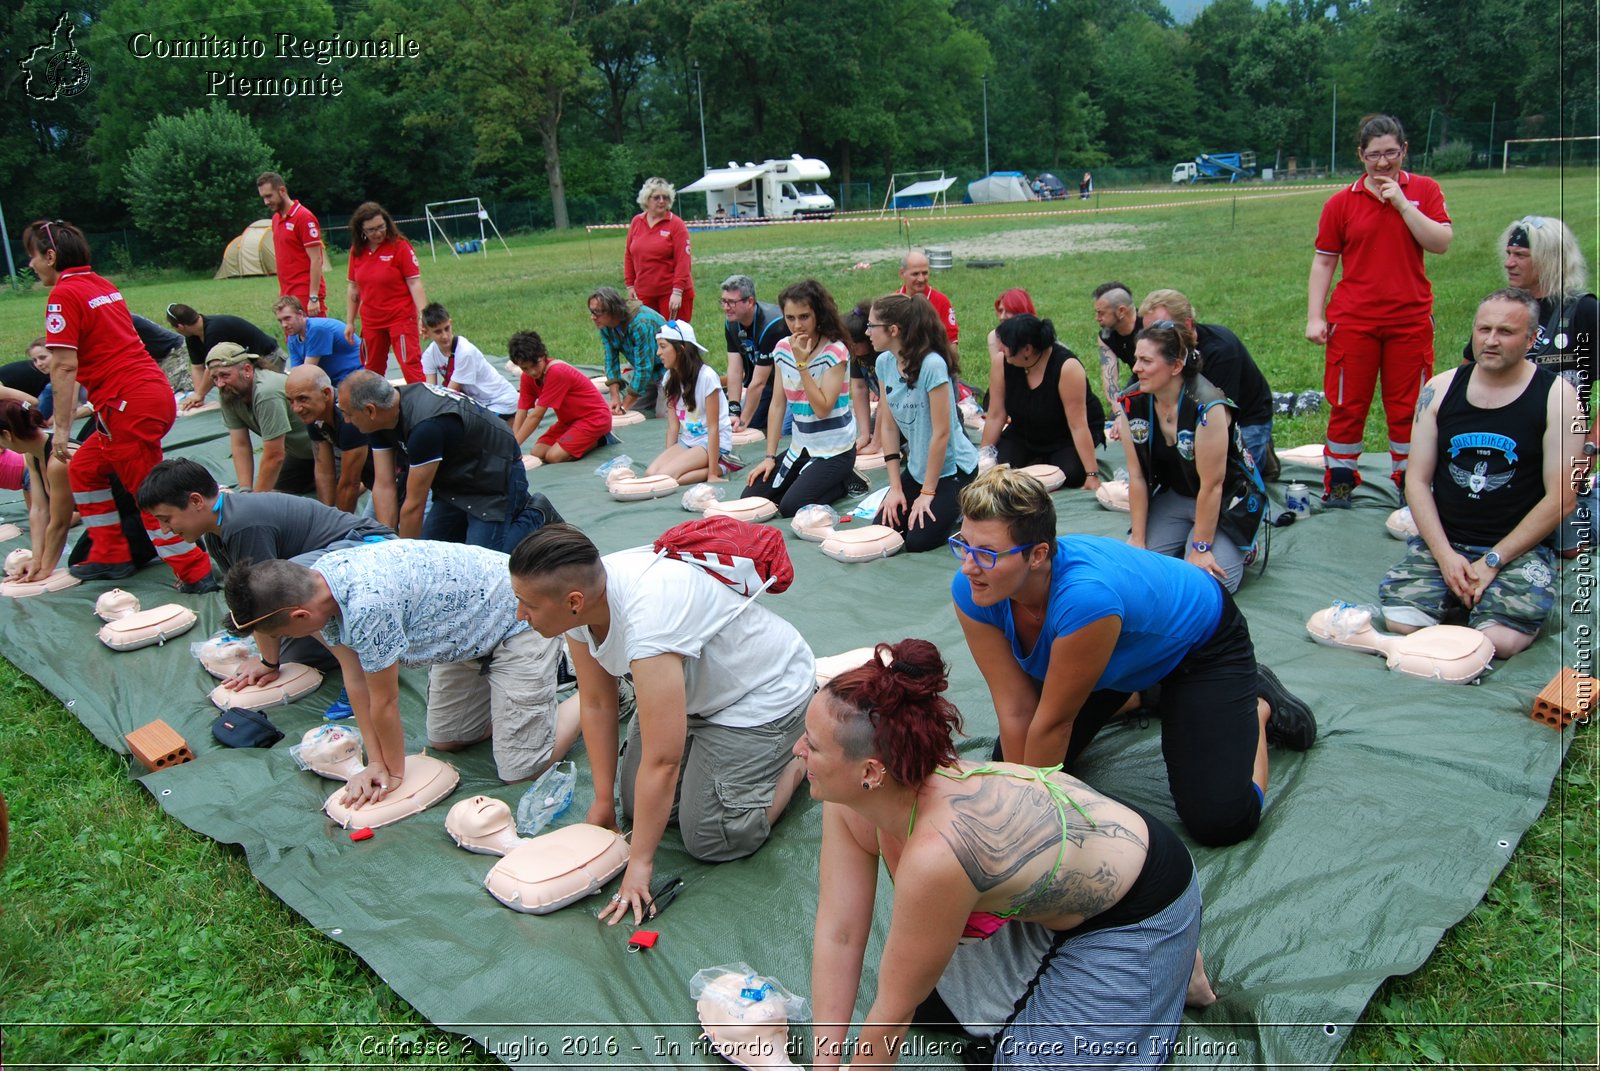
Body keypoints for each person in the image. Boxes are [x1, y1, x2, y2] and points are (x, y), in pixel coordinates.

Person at [802, 639, 1203, 1069]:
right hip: (1042, 892)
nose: (798, 752)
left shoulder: (941, 849)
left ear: (869, 772)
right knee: (935, 1007)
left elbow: (894, 1013)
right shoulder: (855, 800)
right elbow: (840, 933)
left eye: (812, 746)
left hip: (1134, 905)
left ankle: (1170, 960)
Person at [952, 466, 1315, 847]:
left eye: (988, 554)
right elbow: (1017, 710)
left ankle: (1255, 706)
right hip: (1118, 654)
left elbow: (1053, 725)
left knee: (1220, 820)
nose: (969, 566)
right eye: (964, 544)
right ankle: (1151, 694)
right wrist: (1017, 801)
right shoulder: (971, 589)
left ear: (1038, 555)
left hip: (1202, 647)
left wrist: (1024, 832)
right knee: (1016, 759)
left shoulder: (1084, 600)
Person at [507, 523, 814, 924]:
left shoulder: (647, 623)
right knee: (638, 807)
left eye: (526, 604)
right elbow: (598, 703)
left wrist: (640, 865)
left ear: (574, 601)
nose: (519, 614)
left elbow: (663, 761)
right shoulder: (582, 603)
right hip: (693, 698)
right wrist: (603, 801)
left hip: (759, 696)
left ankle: (797, 760)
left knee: (712, 837)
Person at [222, 541, 579, 798]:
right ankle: (515, 701)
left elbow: (386, 701)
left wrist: (391, 773)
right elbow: (355, 678)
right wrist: (372, 762)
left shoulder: (366, 605)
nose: (287, 641)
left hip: (516, 622)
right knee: (448, 739)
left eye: (284, 634)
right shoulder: (318, 585)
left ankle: (592, 695)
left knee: (521, 771)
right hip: (463, 635)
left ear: (300, 616)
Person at [1379, 289, 1582, 659]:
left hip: (1517, 549)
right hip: (1448, 540)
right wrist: (1443, 555)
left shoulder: (1558, 397)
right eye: (1483, 329)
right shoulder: (1439, 389)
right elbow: (1417, 482)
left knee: (1501, 641)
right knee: (1401, 622)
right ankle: (1459, 602)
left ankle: (1472, 606)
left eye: (1505, 331)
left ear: (1531, 339)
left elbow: (1562, 499)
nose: (1490, 340)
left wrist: (1493, 561)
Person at [22, 219, 213, 588]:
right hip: (142, 396)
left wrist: (60, 429)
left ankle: (195, 571)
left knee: (148, 494)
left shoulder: (63, 295)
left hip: (128, 405)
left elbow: (63, 365)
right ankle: (111, 555)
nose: (30, 265)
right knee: (85, 469)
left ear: (50, 255)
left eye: (32, 256)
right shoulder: (101, 284)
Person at [1307, 113, 1453, 506]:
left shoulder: (1425, 189)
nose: (1384, 162)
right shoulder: (1341, 203)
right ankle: (1339, 477)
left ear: (1404, 150)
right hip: (1353, 320)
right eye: (1374, 155)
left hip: (1409, 320)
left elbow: (1440, 242)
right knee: (1347, 402)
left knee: (1409, 406)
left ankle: (1410, 481)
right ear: (1361, 155)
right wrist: (1315, 316)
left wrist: (1404, 205)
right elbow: (1324, 261)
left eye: (1391, 153)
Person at [137, 457, 395, 676]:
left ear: (196, 501)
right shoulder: (215, 530)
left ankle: (360, 667)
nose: (165, 529)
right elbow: (245, 599)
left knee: (281, 596)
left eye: (166, 519)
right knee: (292, 651)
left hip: (373, 550)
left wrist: (267, 663)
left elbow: (260, 598)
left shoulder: (243, 525)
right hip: (341, 562)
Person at [1467, 216, 1596, 557]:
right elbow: (1466, 376)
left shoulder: (1583, 311)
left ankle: (1590, 498)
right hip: (1506, 448)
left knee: (1569, 547)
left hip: (1561, 451)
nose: (1509, 262)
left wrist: (1589, 452)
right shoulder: (1503, 311)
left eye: (1521, 255)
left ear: (1551, 258)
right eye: (1508, 253)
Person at [1118, 320, 1266, 593]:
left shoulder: (1208, 407)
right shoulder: (1132, 402)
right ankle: (1184, 543)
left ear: (1176, 366)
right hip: (1177, 495)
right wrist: (1138, 540)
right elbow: (1136, 475)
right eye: (1136, 359)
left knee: (1208, 585)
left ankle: (1243, 545)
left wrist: (1200, 548)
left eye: (1146, 361)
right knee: (1135, 570)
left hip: (1223, 502)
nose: (1136, 368)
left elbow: (1213, 485)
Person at [338, 369, 560, 550]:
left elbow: (414, 505)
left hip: (493, 476)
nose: (346, 420)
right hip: (453, 481)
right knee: (435, 552)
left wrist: (405, 559)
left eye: (347, 413)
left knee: (482, 562)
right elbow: (384, 485)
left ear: (370, 410)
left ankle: (537, 514)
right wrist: (389, 545)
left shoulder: (426, 427)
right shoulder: (381, 416)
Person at [866, 294, 979, 552]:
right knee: (884, 528)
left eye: (872, 326)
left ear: (893, 330)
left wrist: (926, 494)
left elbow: (942, 433)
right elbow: (889, 425)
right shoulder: (884, 362)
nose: (867, 332)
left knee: (919, 541)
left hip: (953, 469)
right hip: (919, 468)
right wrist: (896, 488)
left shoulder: (932, 365)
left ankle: (962, 505)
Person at [744, 279, 857, 515]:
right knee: (751, 496)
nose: (797, 325)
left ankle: (845, 481)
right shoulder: (782, 349)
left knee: (791, 506)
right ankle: (804, 480)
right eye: (790, 318)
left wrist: (802, 364)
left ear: (819, 315)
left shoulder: (835, 351)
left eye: (804, 317)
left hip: (835, 449)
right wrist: (769, 457)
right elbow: (777, 403)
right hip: (802, 446)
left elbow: (823, 408)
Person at [1140, 289, 1277, 480]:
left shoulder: (1221, 350)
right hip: (1183, 417)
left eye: (1159, 330)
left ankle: (1263, 452)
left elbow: (1221, 417)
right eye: (1147, 332)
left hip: (1242, 421)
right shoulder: (1155, 353)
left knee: (1230, 481)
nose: (1151, 340)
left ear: (1187, 324)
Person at [980, 314, 1105, 488]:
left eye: (1006, 346)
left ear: (1027, 349)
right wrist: (984, 458)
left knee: (1073, 473)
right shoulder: (1002, 362)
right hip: (1024, 430)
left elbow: (1078, 424)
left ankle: (1046, 460)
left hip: (1064, 434)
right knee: (999, 469)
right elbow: (996, 414)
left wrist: (1091, 474)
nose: (1001, 350)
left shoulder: (1066, 367)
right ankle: (1036, 460)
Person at [208, 344, 317, 496]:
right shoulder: (228, 392)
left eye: (225, 375)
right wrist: (245, 490)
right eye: (214, 378)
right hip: (302, 454)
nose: (219, 383)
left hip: (328, 448)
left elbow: (275, 454)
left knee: (339, 490)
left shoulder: (266, 392)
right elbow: (240, 444)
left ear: (247, 370)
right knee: (276, 491)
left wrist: (254, 503)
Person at [346, 201, 427, 383]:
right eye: (371, 230)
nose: (378, 233)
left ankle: (422, 405)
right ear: (362, 231)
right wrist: (350, 322)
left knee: (410, 364)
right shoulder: (357, 251)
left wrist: (423, 314)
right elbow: (353, 288)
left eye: (381, 227)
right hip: (371, 320)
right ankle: (374, 406)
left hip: (400, 317)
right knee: (371, 370)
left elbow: (414, 282)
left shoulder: (400, 246)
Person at [646, 321, 731, 485]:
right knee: (652, 473)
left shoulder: (707, 377)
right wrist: (670, 456)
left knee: (667, 477)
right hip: (688, 440)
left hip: (711, 441)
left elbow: (714, 428)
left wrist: (712, 474)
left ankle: (721, 467)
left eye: (663, 346)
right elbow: (673, 426)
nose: (658, 353)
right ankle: (691, 469)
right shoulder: (669, 378)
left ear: (680, 349)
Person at [507, 330, 613, 462]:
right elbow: (522, 410)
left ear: (544, 356)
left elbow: (536, 416)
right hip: (568, 422)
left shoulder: (556, 372)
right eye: (525, 368)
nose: (532, 372)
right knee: (537, 453)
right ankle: (580, 440)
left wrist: (513, 447)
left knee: (553, 457)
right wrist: (513, 441)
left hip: (594, 419)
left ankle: (601, 439)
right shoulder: (526, 377)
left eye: (535, 365)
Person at [285, 364, 377, 513]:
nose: (296, 408)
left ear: (326, 394)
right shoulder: (314, 415)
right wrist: (326, 514)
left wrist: (336, 526)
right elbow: (323, 472)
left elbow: (350, 484)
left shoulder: (349, 419)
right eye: (291, 401)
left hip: (405, 476)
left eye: (302, 399)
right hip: (378, 480)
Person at [0, 398, 75, 581]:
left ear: (7, 435)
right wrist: (36, 559)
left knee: (84, 562)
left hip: (125, 517)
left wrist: (45, 569)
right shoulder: (31, 454)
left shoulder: (58, 461)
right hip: (100, 517)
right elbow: (39, 510)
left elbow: (59, 522)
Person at [168, 303, 286, 411]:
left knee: (253, 399)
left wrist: (199, 394)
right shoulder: (192, 336)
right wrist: (199, 396)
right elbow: (197, 367)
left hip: (269, 358)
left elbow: (213, 366)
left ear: (180, 327)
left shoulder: (215, 330)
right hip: (246, 364)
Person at [419, 303, 519, 421]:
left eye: (447, 328)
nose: (445, 336)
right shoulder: (429, 355)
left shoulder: (465, 352)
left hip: (501, 401)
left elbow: (450, 394)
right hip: (478, 403)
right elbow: (432, 391)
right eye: (438, 332)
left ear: (450, 323)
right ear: (427, 332)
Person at [720, 274, 788, 432]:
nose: (725, 307)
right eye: (723, 301)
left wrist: (742, 422)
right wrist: (734, 410)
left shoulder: (772, 324)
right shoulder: (731, 323)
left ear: (750, 301)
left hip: (792, 386)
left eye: (731, 302)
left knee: (782, 430)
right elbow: (735, 370)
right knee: (744, 421)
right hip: (767, 386)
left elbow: (758, 383)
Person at [257, 171, 328, 316]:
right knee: (292, 337)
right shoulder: (276, 219)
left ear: (282, 190)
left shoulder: (304, 217)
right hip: (287, 292)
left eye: (269, 196)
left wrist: (313, 297)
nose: (266, 202)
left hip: (305, 291)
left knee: (312, 336)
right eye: (263, 197)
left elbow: (316, 259)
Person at [624, 177, 694, 321]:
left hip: (671, 293)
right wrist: (630, 285)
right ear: (646, 200)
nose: (662, 201)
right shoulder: (637, 222)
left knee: (673, 339)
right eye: (656, 197)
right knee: (649, 336)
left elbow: (683, 261)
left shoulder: (676, 224)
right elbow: (629, 255)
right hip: (645, 293)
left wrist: (677, 292)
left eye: (666, 197)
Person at [590, 286, 665, 417]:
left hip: (669, 370)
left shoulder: (640, 323)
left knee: (663, 418)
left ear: (612, 310)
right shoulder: (606, 326)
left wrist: (624, 406)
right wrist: (615, 398)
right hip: (648, 374)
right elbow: (610, 360)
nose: (592, 317)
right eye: (591, 311)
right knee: (634, 412)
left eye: (597, 312)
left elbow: (644, 367)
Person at [274, 296, 363, 388]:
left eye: (287, 318)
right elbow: (296, 371)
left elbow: (306, 374)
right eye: (280, 321)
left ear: (300, 314)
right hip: (335, 382)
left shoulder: (317, 329)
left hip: (357, 378)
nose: (284, 325)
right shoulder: (292, 338)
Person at [898, 251, 960, 378]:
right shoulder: (894, 302)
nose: (921, 279)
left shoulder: (941, 301)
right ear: (902, 273)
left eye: (925, 273)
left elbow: (952, 341)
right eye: (915, 274)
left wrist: (947, 371)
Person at [1092, 281, 1141, 409]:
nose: (1097, 318)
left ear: (1121, 311)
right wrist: (1118, 411)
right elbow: (1109, 376)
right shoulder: (1106, 336)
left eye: (1101, 313)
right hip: (1141, 379)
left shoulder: (1149, 327)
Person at [844, 302, 881, 454]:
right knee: (872, 430)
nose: (851, 349)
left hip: (903, 407)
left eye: (855, 345)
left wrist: (876, 443)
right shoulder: (856, 355)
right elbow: (859, 389)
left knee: (892, 437)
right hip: (887, 407)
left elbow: (888, 399)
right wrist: (865, 435)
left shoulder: (882, 354)